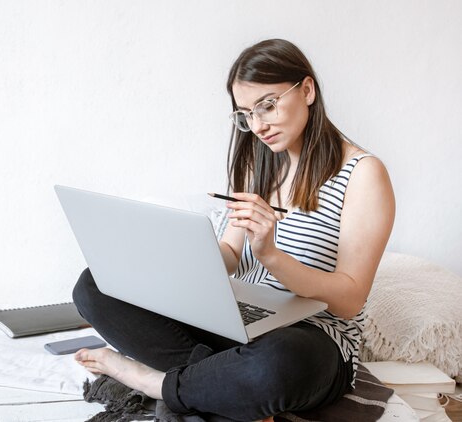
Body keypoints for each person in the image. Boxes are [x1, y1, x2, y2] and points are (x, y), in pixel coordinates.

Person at [71, 38, 395, 421]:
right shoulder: (258, 164)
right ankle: (220, 383)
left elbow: (350, 300)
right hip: (236, 321)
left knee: (276, 363)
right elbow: (228, 256)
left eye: (268, 105)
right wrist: (168, 254)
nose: (257, 126)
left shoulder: (362, 174)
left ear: (307, 90)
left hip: (313, 340)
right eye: (246, 114)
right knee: (95, 285)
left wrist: (271, 256)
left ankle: (155, 383)